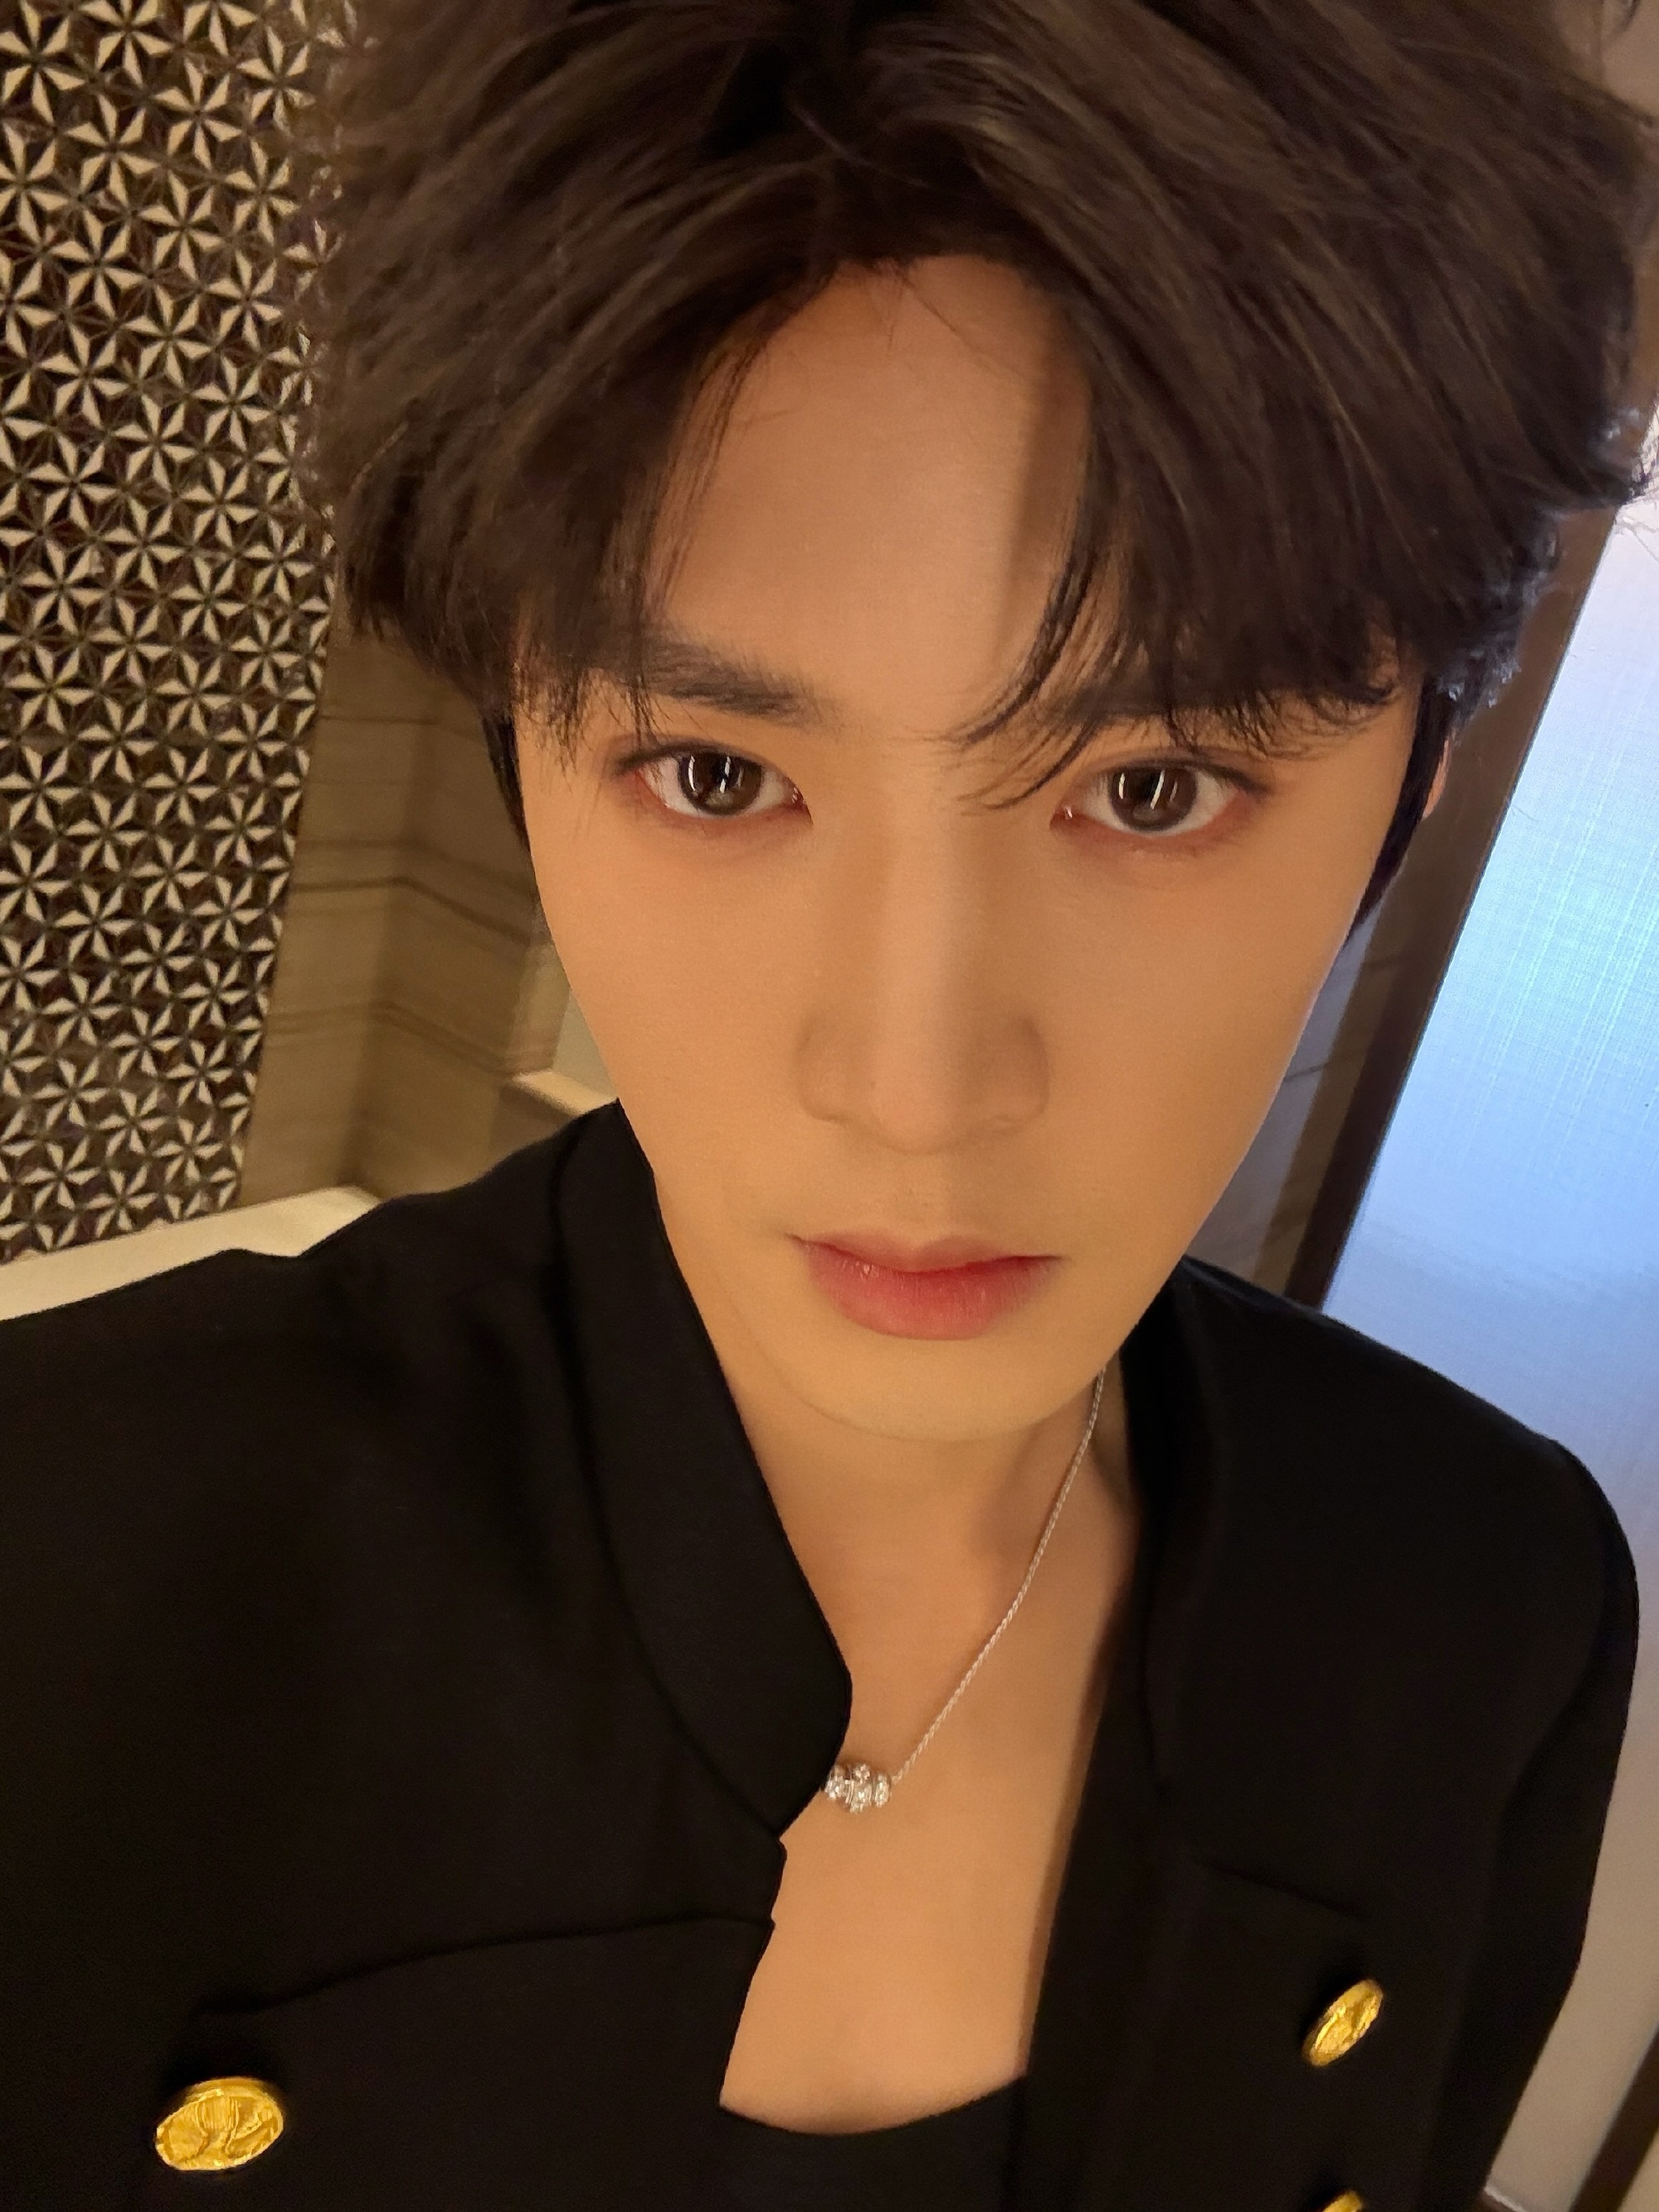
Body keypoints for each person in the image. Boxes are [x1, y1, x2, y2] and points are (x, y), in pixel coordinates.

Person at [2, 2, 1656, 2206]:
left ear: (1414, 789)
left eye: (1152, 790)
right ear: (521, 757)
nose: (913, 1086)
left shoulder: (1483, 1603)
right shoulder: (62, 1590)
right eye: (717, 774)